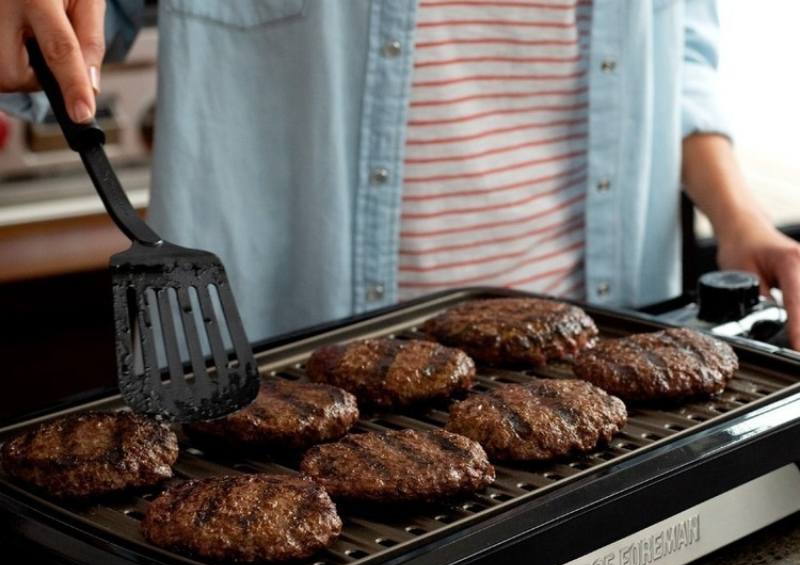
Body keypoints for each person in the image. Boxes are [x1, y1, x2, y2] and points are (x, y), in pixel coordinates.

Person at [2, 0, 800, 349]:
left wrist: (738, 218)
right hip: (286, 361)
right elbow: (61, 32)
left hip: (603, 346)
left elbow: (682, 49)